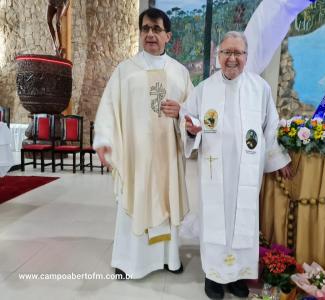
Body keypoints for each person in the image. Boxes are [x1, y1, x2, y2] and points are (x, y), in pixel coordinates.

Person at [181, 31, 291, 299]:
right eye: (226, 53)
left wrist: (278, 159)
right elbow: (189, 119)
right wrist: (192, 131)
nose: (232, 58)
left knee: (244, 221)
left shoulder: (260, 88)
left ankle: (238, 276)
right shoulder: (204, 88)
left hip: (246, 171)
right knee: (215, 220)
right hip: (213, 171)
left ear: (246, 57)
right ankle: (214, 276)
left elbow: (270, 127)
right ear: (218, 56)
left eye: (237, 53)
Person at [93, 8, 193, 279]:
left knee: (166, 199)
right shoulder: (125, 71)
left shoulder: (179, 72)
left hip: (168, 155)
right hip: (135, 156)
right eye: (145, 28)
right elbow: (109, 109)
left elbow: (192, 114)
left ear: (168, 36)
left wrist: (182, 111)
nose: (150, 34)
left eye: (157, 29)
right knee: (135, 198)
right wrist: (104, 140)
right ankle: (129, 261)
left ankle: (168, 259)